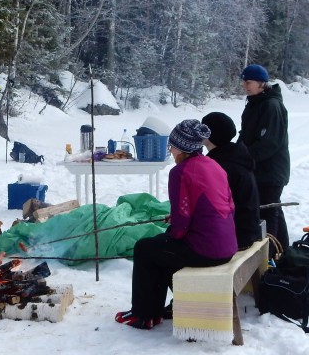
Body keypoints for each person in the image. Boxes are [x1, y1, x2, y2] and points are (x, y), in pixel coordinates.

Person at [115, 120, 237, 330]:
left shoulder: (181, 171)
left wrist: (175, 230)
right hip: (227, 245)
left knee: (145, 248)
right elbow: (227, 206)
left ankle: (143, 315)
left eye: (172, 146)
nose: (170, 150)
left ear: (182, 148)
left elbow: (181, 219)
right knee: (160, 246)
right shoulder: (214, 165)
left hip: (206, 250)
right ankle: (153, 312)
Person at [238, 64, 290, 255]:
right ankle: (283, 252)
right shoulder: (254, 103)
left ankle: (271, 258)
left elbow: (270, 143)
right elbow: (246, 134)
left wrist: (243, 158)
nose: (245, 85)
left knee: (268, 211)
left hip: (271, 171)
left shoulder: (271, 105)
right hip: (258, 170)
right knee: (273, 208)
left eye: (248, 82)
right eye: (243, 81)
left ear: (261, 83)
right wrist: (235, 152)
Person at [202, 112, 262, 250]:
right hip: (247, 231)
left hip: (235, 235)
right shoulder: (235, 155)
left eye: (203, 129)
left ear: (210, 135)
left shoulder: (220, 166)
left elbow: (211, 209)